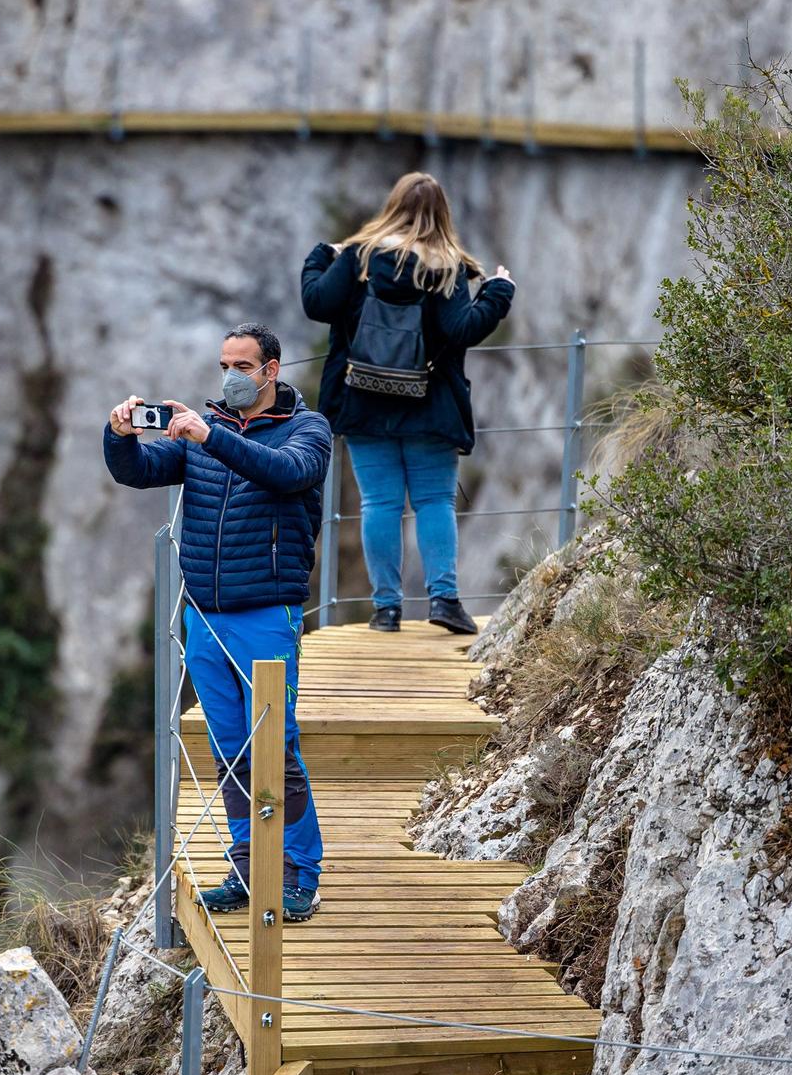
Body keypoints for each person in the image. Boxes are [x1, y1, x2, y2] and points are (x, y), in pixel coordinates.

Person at [104, 323, 329, 922]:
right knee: (230, 751)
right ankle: (246, 868)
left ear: (272, 370)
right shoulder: (203, 435)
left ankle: (299, 875)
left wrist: (211, 436)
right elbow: (137, 471)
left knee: (274, 750)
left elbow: (287, 473)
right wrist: (119, 435)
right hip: (203, 615)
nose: (230, 374)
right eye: (224, 362)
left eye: (243, 364)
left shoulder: (309, 430)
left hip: (266, 613)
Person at [301, 171, 515, 635]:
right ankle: (443, 601)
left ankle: (386, 610)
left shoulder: (360, 258)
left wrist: (322, 254)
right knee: (434, 501)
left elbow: (317, 302)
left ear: (392, 206)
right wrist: (499, 291)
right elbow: (464, 329)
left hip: (362, 399)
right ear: (443, 214)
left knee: (380, 502)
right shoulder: (446, 267)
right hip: (430, 403)